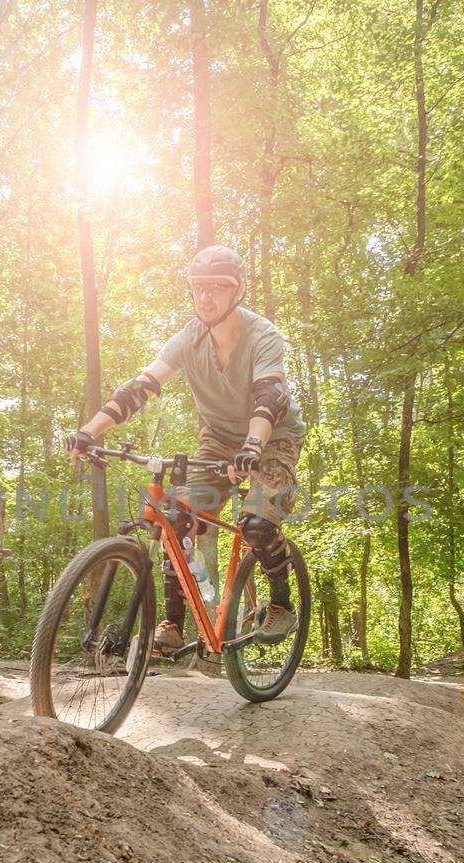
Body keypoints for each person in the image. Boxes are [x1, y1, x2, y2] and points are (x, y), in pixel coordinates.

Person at [64, 245, 308, 654]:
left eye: (217, 287)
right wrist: (90, 431)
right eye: (198, 288)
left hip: (273, 436)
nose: (206, 296)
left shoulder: (262, 334)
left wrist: (252, 445)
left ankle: (282, 604)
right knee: (175, 519)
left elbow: (270, 395)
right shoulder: (187, 339)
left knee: (259, 526)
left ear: (238, 291)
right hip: (218, 440)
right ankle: (172, 623)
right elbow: (141, 387)